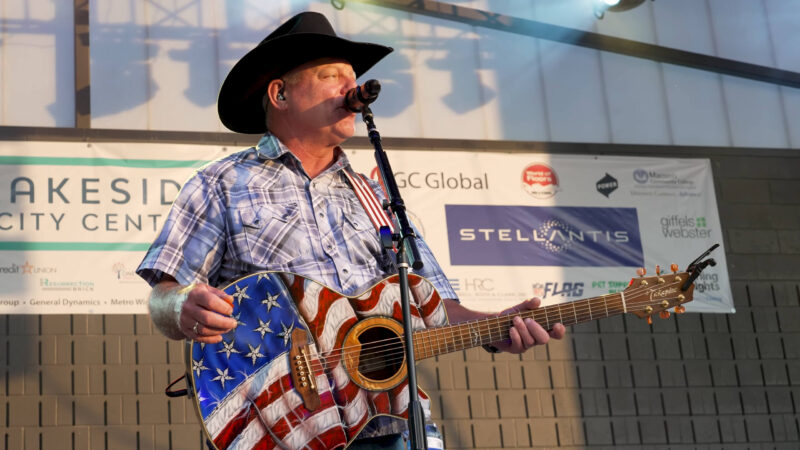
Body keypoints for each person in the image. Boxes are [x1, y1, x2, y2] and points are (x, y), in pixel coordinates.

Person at [138, 11, 565, 449]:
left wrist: (494, 327)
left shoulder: (377, 197)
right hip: (283, 431)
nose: (352, 89)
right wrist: (181, 308)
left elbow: (432, 309)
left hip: (394, 425)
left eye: (353, 77)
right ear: (280, 93)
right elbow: (161, 296)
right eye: (332, 75)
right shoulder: (221, 183)